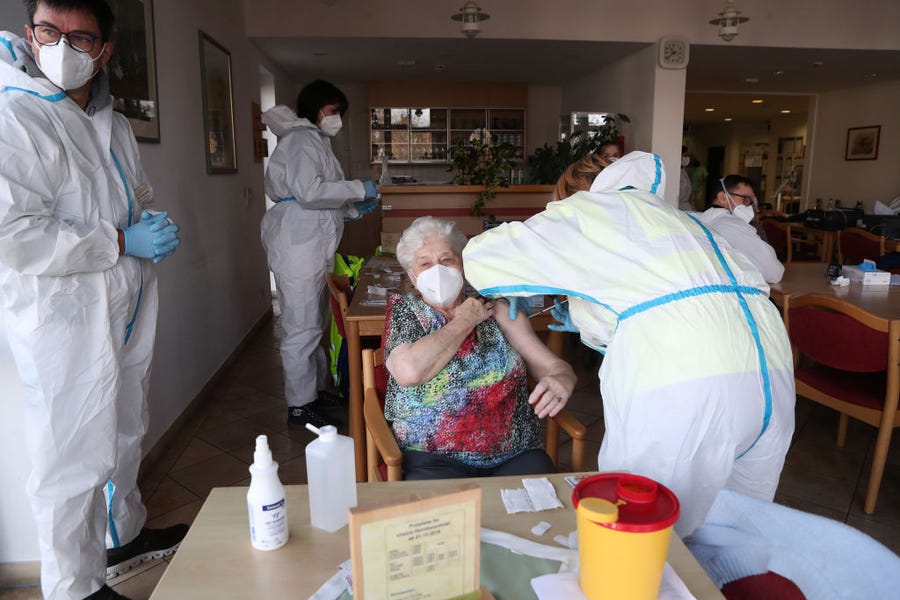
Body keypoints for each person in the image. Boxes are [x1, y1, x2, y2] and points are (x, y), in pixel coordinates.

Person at [463, 151, 795, 537]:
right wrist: (588, 318)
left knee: (642, 525)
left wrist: (529, 276)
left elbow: (482, 255)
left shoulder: (591, 210)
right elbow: (660, 301)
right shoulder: (678, 219)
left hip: (691, 383)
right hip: (771, 373)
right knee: (739, 531)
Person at [0, 2, 185, 599]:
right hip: (65, 316)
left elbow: (128, 193)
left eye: (81, 38)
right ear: (30, 33)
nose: (63, 47)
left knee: (127, 422)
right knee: (69, 456)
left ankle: (122, 533)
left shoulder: (112, 120)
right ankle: (73, 588)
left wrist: (143, 220)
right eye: (51, 32)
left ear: (103, 51)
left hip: (126, 298)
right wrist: (118, 240)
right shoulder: (16, 118)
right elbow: (12, 234)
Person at [383, 216, 577, 480]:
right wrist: (465, 320)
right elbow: (409, 372)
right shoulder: (407, 313)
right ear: (413, 277)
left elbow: (550, 364)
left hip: (514, 452)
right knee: (445, 521)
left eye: (447, 260)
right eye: (425, 264)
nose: (437, 270)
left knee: (543, 514)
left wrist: (562, 376)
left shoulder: (497, 308)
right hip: (432, 455)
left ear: (463, 265)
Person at [261, 80, 380, 428]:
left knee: (317, 322)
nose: (336, 119)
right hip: (298, 246)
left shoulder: (315, 141)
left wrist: (355, 208)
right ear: (314, 110)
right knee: (301, 326)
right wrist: (359, 187)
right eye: (332, 112)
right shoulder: (300, 140)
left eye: (339, 112)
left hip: (311, 242)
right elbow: (309, 193)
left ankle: (312, 389)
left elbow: (320, 203)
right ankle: (299, 405)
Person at [697, 175, 784, 283]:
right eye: (745, 200)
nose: (749, 208)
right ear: (723, 198)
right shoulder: (733, 225)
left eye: (751, 203)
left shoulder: (699, 219)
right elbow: (773, 273)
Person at [678, 145, 693, 210]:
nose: (687, 158)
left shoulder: (683, 170)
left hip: (684, 204)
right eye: (685, 155)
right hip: (681, 205)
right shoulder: (678, 172)